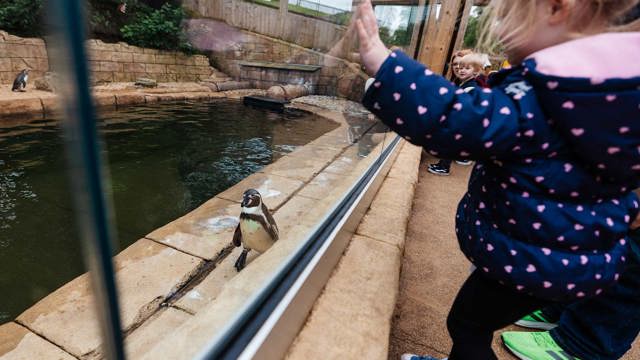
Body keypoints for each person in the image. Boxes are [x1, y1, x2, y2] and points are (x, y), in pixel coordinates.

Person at [354, 0, 640, 359]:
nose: (500, 33)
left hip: (536, 259)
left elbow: (454, 118)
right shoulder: (614, 94)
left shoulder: (542, 97)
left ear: (555, 9)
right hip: (583, 260)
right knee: (475, 322)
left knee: (468, 325)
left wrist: (384, 65)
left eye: (505, 18)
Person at [427, 50, 478, 176]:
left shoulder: (471, 86)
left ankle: (444, 167)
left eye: (466, 68)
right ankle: (442, 164)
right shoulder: (463, 84)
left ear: (475, 71)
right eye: (460, 67)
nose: (461, 70)